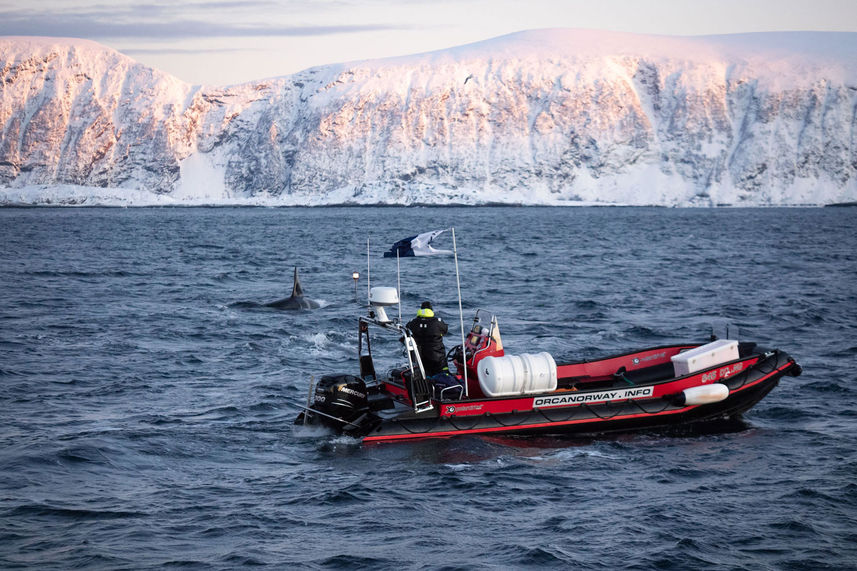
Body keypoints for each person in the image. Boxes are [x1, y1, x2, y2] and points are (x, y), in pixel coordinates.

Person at [406, 301, 449, 377]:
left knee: (425, 375)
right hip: (437, 357)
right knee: (443, 375)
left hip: (419, 357)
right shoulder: (438, 322)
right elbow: (445, 330)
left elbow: (407, 330)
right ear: (431, 310)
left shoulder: (413, 322)